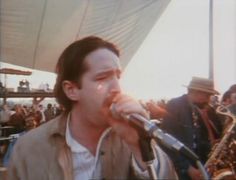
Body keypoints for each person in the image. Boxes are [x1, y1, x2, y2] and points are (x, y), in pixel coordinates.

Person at [8, 36, 177, 180]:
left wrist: (140, 146)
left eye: (118, 76)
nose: (117, 88)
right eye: (102, 78)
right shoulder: (29, 148)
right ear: (72, 90)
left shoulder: (130, 135)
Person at [161, 77, 223, 180]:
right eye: (207, 95)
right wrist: (187, 168)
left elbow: (197, 140)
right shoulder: (175, 105)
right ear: (195, 91)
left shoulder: (198, 108)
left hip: (197, 165)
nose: (209, 99)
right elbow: (166, 141)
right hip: (182, 170)